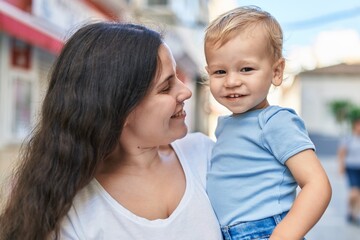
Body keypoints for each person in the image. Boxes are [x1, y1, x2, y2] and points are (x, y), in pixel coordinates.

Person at [0, 22, 223, 240]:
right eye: (166, 87)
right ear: (119, 109)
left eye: (177, 78)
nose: (185, 92)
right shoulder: (70, 212)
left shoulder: (205, 156)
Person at [204, 6, 332, 240]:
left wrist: (283, 235)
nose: (232, 81)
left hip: (264, 232)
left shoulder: (275, 121)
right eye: (220, 71)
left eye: (246, 69)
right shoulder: (225, 125)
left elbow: (317, 184)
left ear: (276, 71)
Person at [338, 114, 360, 225]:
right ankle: (350, 210)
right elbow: (342, 152)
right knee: (354, 192)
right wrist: (341, 166)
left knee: (359, 194)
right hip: (352, 168)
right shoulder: (349, 138)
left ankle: (354, 214)